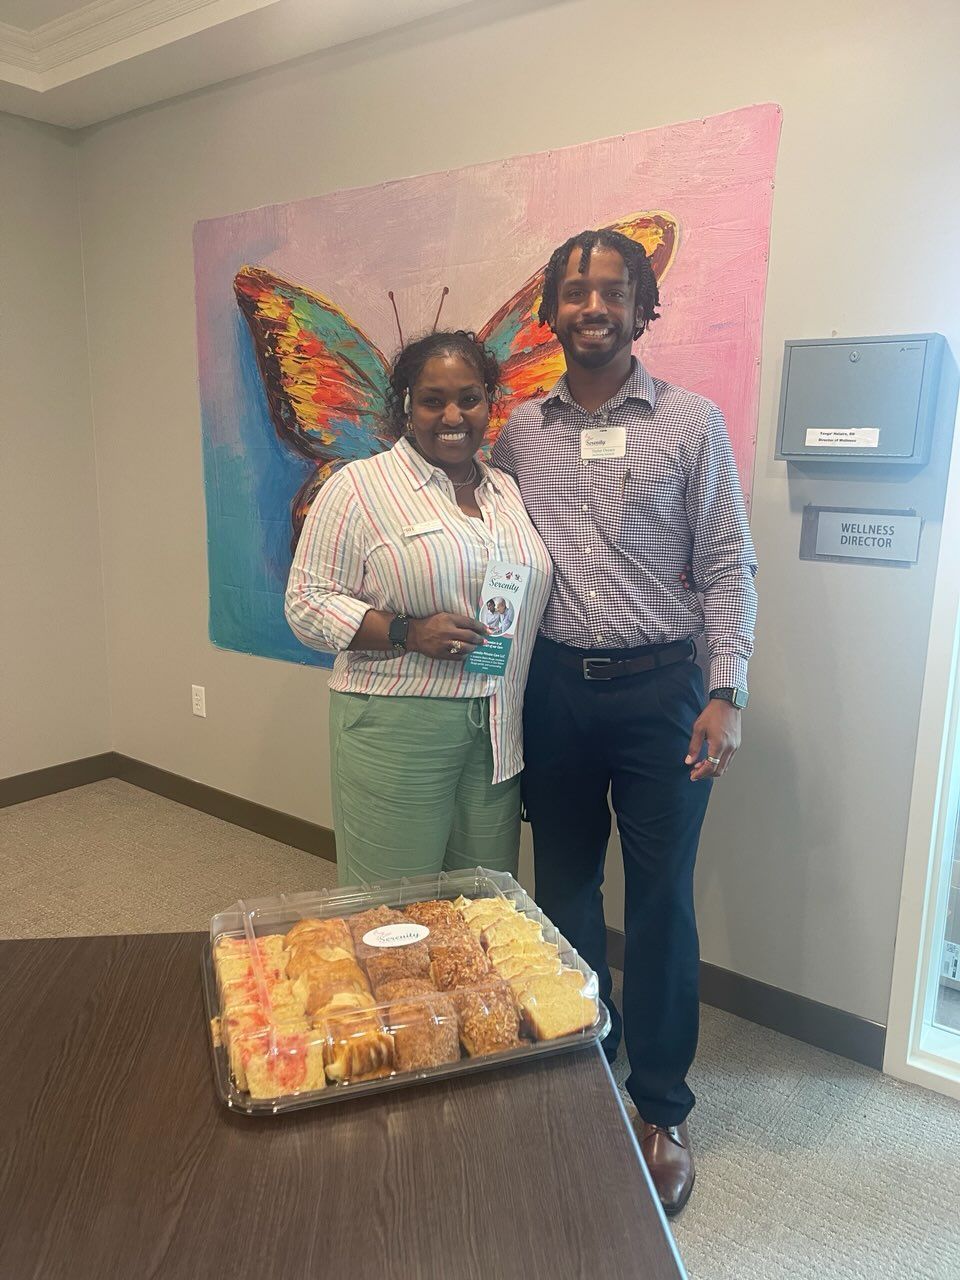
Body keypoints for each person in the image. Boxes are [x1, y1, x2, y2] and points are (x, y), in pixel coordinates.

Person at [491, 229, 757, 1216]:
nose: (593, 304)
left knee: (661, 903)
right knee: (560, 885)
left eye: (614, 289)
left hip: (664, 696)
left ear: (644, 309)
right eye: (575, 289)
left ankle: (661, 1106)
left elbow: (728, 565)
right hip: (556, 689)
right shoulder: (521, 432)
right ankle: (582, 1059)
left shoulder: (693, 426)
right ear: (551, 313)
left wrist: (725, 688)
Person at [285, 330, 553, 886]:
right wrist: (407, 631)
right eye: (433, 400)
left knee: (484, 905)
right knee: (391, 910)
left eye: (469, 397)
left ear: (488, 402)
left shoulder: (506, 490)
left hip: (497, 730)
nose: (452, 414)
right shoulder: (359, 487)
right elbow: (306, 604)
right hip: (397, 723)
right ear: (407, 405)